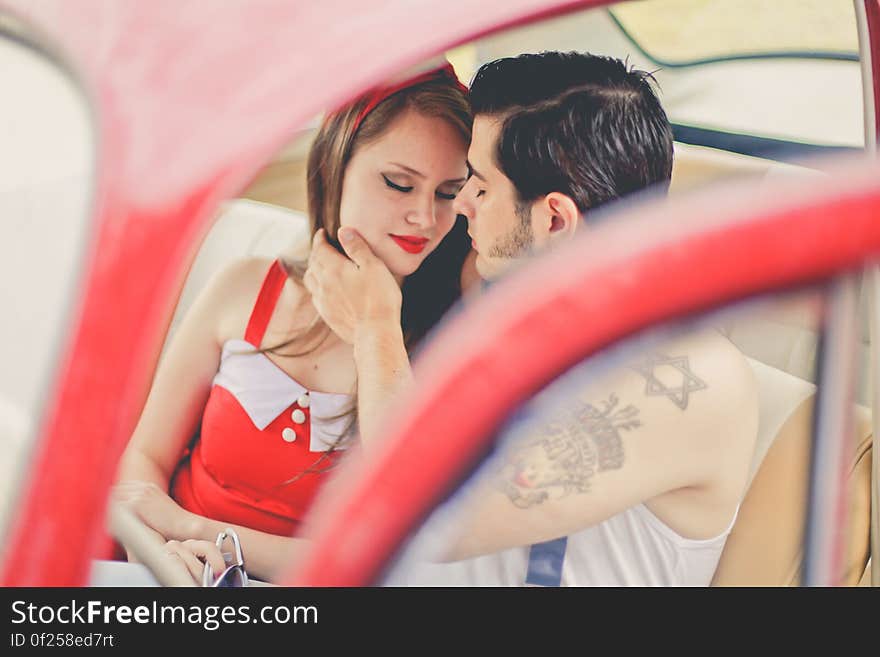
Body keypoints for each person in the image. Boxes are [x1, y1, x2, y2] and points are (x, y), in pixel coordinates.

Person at [304, 51, 759, 586]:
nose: (462, 203)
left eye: (478, 183)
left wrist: (374, 328)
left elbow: (409, 514)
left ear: (554, 220)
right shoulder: (518, 300)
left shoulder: (694, 379)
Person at [109, 61, 473, 584]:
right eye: (398, 184)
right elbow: (144, 456)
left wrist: (193, 528)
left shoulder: (448, 341)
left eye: (447, 194)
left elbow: (382, 552)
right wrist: (163, 549)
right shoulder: (243, 286)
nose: (425, 218)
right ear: (334, 167)